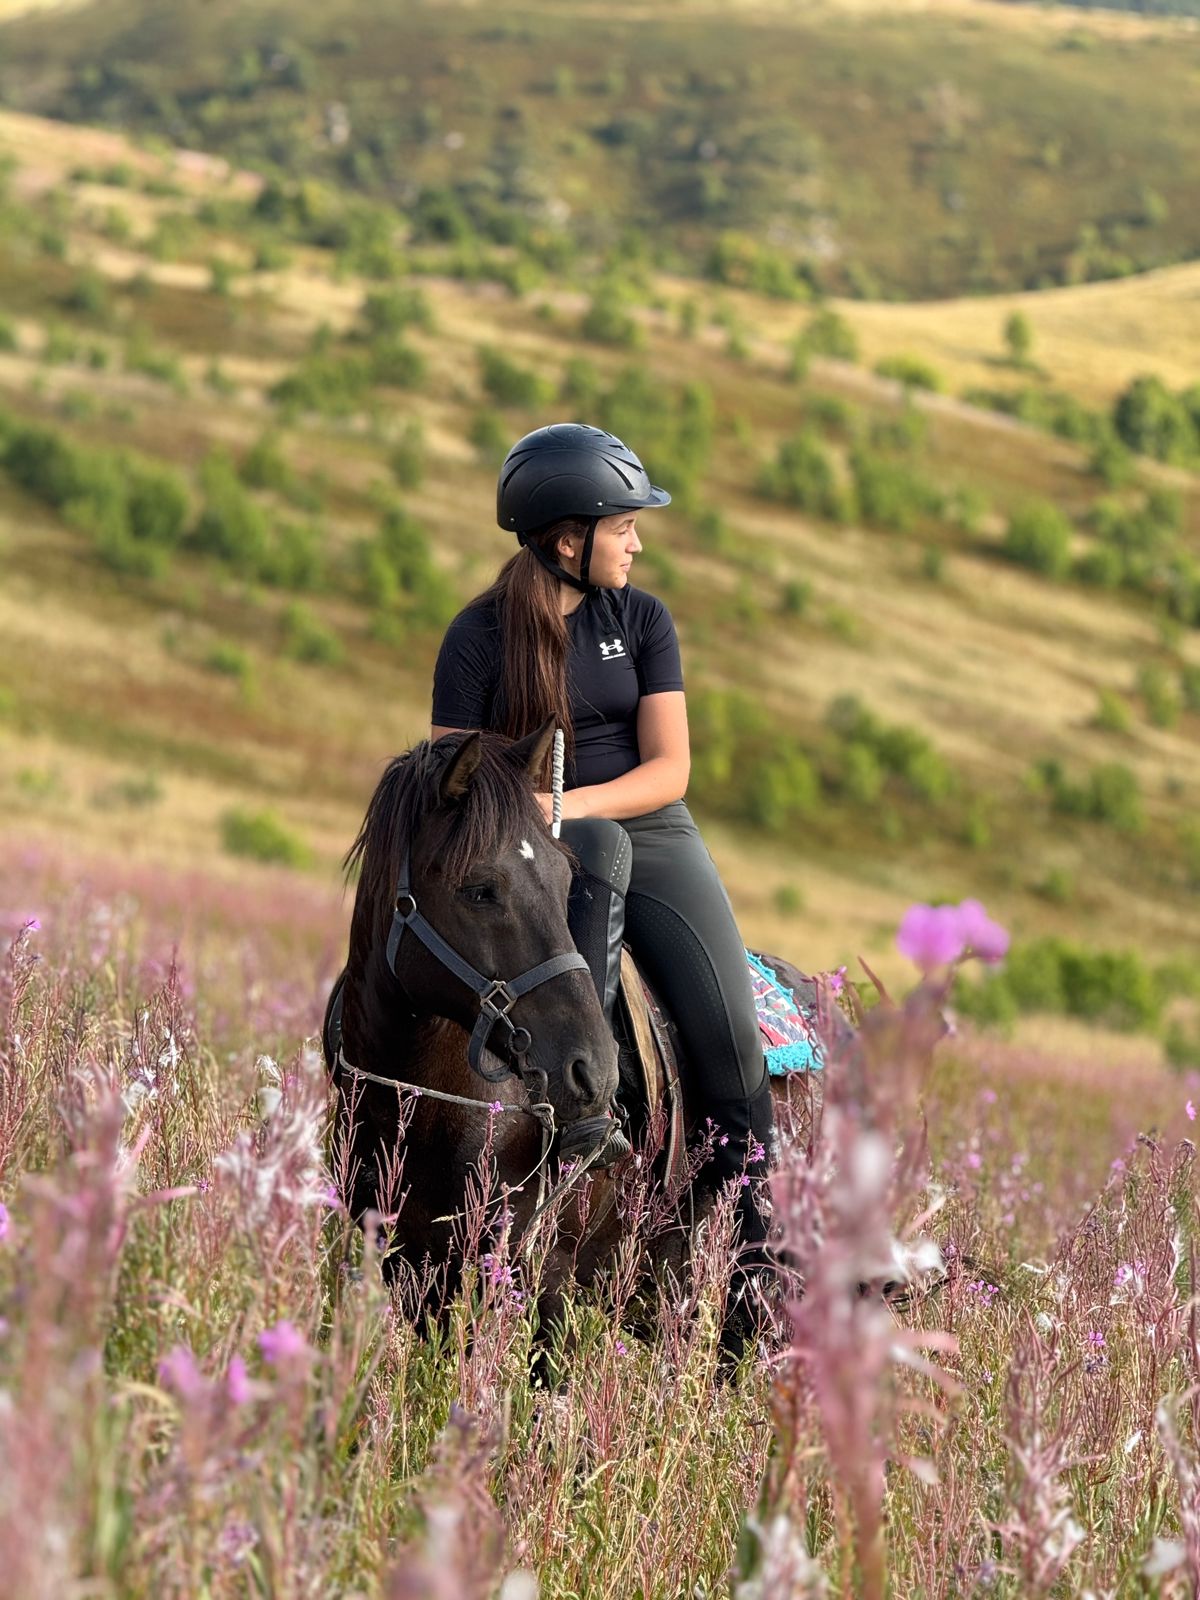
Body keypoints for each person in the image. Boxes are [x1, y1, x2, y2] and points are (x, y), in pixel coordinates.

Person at [430, 422, 775, 1282]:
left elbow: (671, 768)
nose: (638, 540)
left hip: (648, 832)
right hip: (523, 855)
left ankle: (760, 1252)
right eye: (624, 526)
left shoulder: (644, 619)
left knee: (731, 1032)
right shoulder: (474, 640)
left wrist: (564, 804)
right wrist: (532, 822)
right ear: (567, 539)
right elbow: (455, 784)